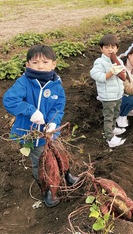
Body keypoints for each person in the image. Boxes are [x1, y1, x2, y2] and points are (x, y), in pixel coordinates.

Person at [2, 44, 80, 208]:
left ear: (53, 64)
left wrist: (53, 123)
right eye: (35, 62)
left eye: (45, 62)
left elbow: (58, 108)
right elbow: (10, 100)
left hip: (50, 133)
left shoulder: (56, 86)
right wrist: (30, 111)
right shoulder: (24, 83)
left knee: (59, 153)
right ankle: (47, 190)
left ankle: (66, 175)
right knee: (41, 163)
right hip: (30, 135)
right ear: (27, 65)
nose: (40, 66)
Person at [90, 34, 127, 148]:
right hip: (107, 96)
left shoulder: (118, 60)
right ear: (101, 49)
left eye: (113, 47)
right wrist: (111, 72)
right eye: (106, 47)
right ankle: (109, 138)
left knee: (116, 113)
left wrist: (123, 73)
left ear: (117, 48)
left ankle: (112, 129)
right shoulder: (99, 62)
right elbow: (96, 75)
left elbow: (123, 75)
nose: (110, 49)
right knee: (109, 116)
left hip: (117, 94)